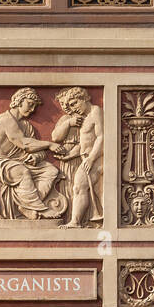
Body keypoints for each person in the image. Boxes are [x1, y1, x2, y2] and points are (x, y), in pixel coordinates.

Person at [0, 88, 66, 219]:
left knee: (51, 171)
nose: (32, 109)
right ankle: (38, 208)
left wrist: (35, 157)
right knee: (22, 171)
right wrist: (50, 144)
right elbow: (24, 143)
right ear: (19, 101)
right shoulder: (5, 119)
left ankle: (25, 205)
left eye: (35, 106)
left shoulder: (26, 126)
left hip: (18, 162)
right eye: (30, 104)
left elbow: (36, 149)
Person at [51, 86, 103, 227]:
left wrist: (91, 158)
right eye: (69, 105)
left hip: (96, 158)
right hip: (86, 158)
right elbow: (83, 143)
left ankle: (76, 222)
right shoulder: (83, 118)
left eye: (74, 103)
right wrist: (69, 156)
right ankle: (81, 220)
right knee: (85, 189)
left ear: (84, 98)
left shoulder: (95, 111)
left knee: (79, 187)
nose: (73, 108)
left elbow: (101, 137)